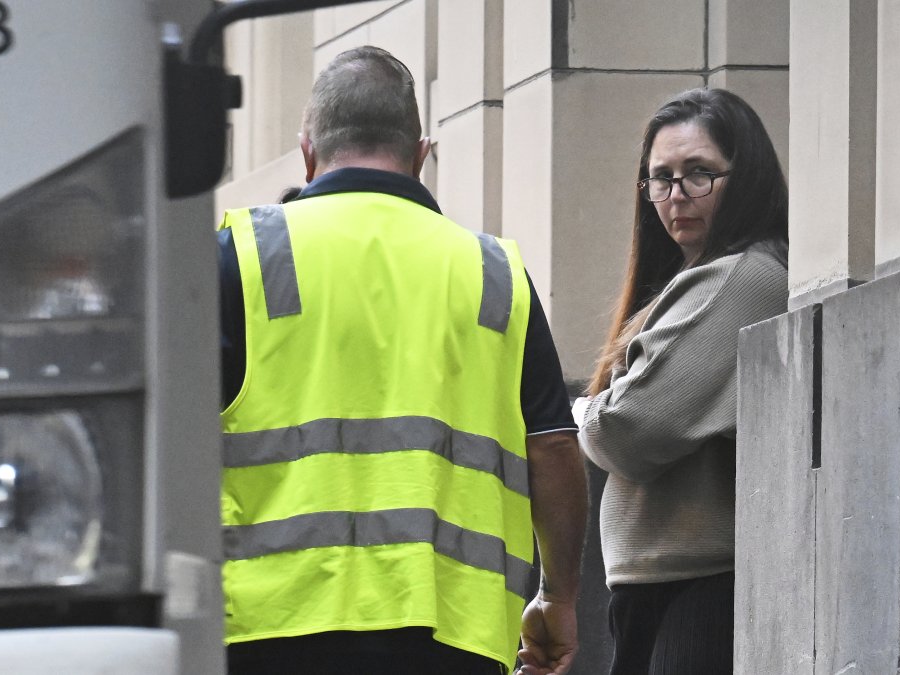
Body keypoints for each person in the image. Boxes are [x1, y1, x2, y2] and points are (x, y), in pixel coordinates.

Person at [217, 46, 587, 675]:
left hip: (270, 631)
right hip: (450, 635)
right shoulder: (494, 276)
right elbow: (552, 450)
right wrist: (558, 597)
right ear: (421, 156)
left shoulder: (243, 257)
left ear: (307, 152)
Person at [577, 88, 790, 675]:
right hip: (664, 586)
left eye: (700, 174)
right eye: (660, 178)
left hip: (698, 589)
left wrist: (583, 412)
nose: (676, 196)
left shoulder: (742, 278)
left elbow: (627, 430)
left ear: (744, 177)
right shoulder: (701, 277)